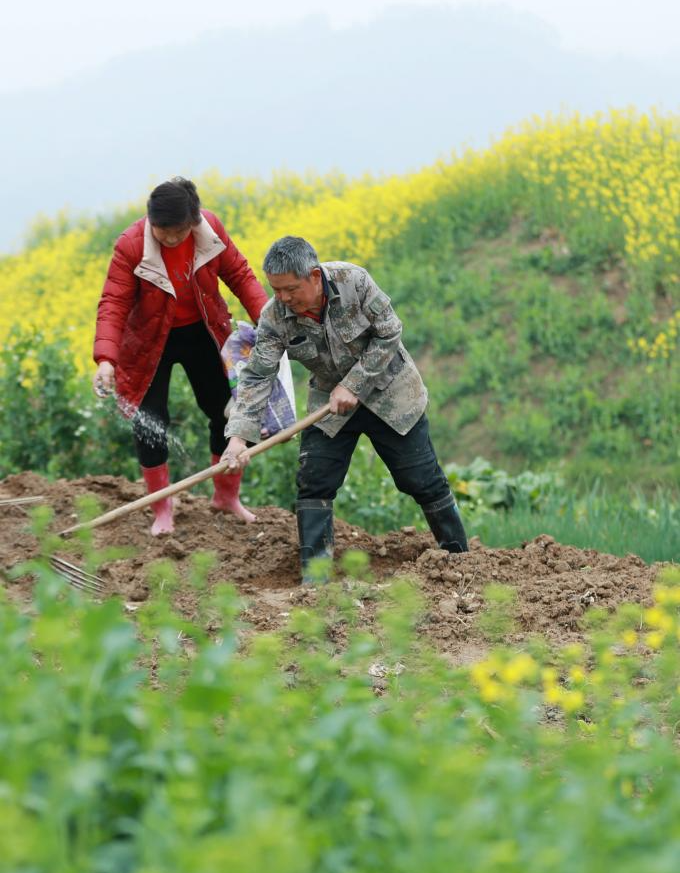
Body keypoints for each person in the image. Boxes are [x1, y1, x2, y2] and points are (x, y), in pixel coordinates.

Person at [223, 235, 468, 578]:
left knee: (421, 479)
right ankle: (316, 578)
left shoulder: (354, 281)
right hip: (330, 405)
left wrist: (353, 384)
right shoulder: (276, 315)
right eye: (276, 289)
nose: (283, 298)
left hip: (391, 393)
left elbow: (389, 333)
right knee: (315, 481)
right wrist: (238, 437)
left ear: (313, 275)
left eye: (290, 289)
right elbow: (257, 377)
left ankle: (460, 561)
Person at [93, 177, 268, 535]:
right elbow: (114, 302)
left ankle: (226, 497)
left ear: (194, 220)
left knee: (226, 410)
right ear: (150, 221)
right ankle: (162, 509)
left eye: (179, 232)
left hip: (202, 331)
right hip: (148, 340)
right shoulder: (131, 245)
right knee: (150, 422)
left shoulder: (211, 230)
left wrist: (268, 319)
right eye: (162, 231)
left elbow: (239, 274)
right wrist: (106, 360)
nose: (171, 239)